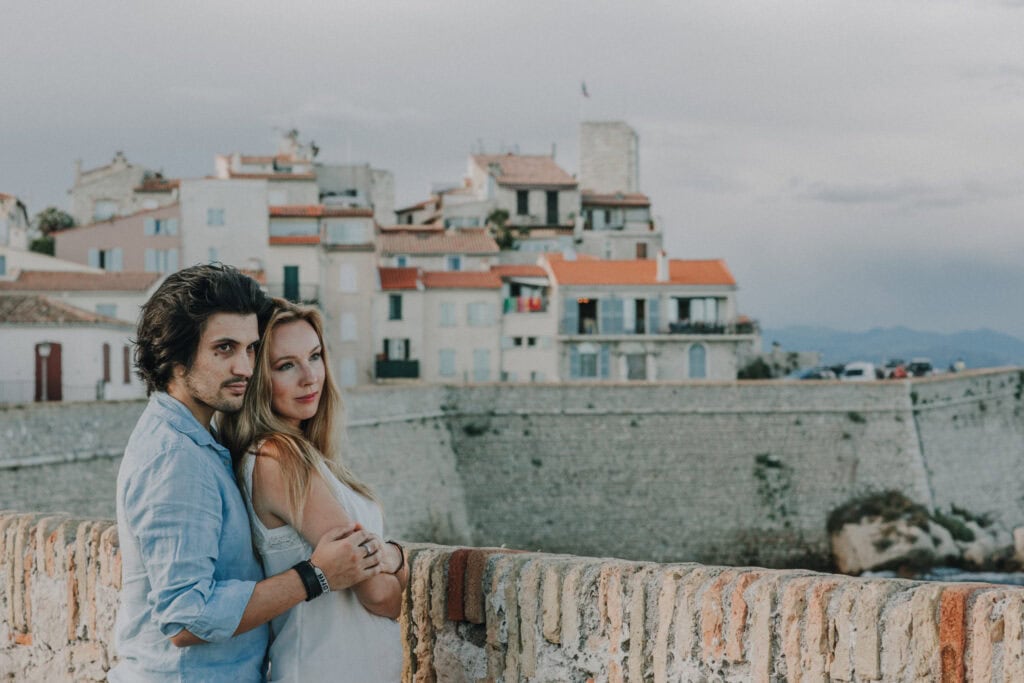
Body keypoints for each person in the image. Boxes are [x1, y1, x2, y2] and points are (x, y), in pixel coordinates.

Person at [112, 264, 383, 682]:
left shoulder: (200, 442)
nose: (244, 367)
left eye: (251, 349)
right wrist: (316, 576)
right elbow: (187, 618)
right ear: (176, 356)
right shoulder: (174, 457)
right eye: (224, 349)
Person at [219, 299, 406, 681]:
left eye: (315, 356)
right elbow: (381, 597)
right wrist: (397, 558)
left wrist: (386, 559)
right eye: (286, 365)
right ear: (257, 380)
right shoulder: (279, 457)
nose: (310, 376)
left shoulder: (306, 457)